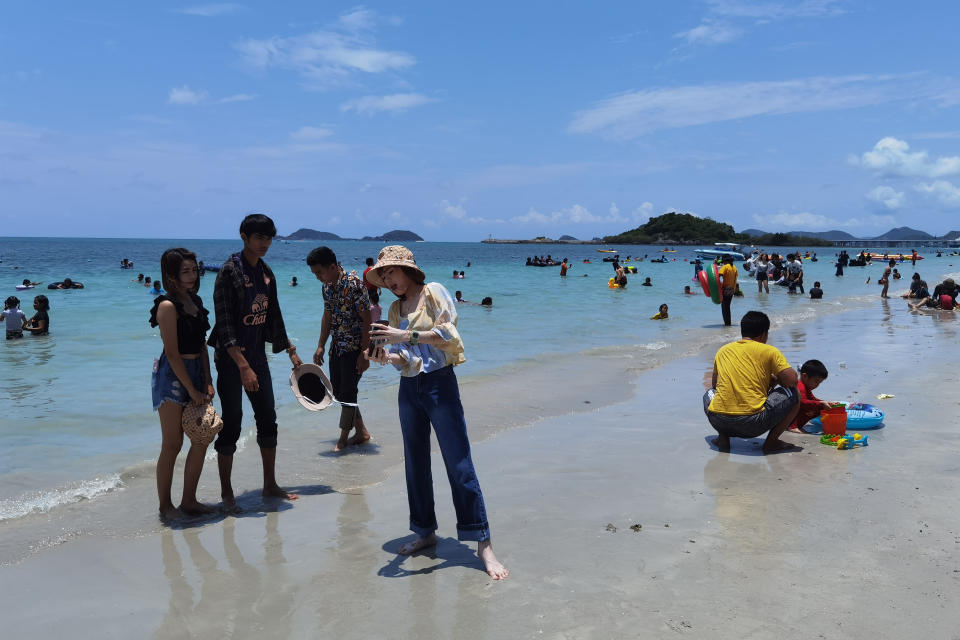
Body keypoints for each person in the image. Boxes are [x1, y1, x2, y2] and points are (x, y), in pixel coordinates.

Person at [364, 245, 508, 580]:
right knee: (415, 463)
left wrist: (405, 335)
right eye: (383, 276)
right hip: (409, 389)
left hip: (440, 385)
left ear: (407, 269)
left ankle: (483, 544)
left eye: (392, 272)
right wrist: (385, 358)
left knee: (459, 464)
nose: (388, 280)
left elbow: (449, 334)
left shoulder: (434, 292)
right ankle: (425, 531)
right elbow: (407, 358)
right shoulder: (395, 308)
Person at [208, 213, 303, 512]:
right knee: (232, 422)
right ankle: (226, 493)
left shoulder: (266, 273)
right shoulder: (229, 272)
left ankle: (270, 484)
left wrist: (289, 350)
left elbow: (273, 314)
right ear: (244, 236)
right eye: (259, 237)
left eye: (269, 237)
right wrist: (242, 366)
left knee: (267, 419)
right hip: (231, 361)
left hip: (257, 358)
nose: (265, 243)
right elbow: (223, 326)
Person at [149, 248, 216, 519]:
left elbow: (201, 345)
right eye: (184, 271)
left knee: (201, 437)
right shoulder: (166, 306)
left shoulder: (195, 301)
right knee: (172, 444)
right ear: (172, 276)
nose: (191, 276)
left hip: (197, 373)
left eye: (193, 270)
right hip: (172, 376)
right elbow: (173, 353)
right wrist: (191, 389)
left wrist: (208, 381)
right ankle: (165, 506)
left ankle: (189, 500)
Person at [702, 310, 800, 454]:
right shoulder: (769, 351)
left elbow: (716, 386)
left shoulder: (723, 350)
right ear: (764, 334)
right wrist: (775, 379)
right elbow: (792, 380)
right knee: (794, 393)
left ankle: (723, 438)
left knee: (709, 393)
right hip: (753, 424)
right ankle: (771, 442)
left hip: (719, 420)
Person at [307, 246, 373, 452]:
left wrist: (365, 354)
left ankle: (344, 436)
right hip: (337, 347)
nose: (318, 277)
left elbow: (366, 320)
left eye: (320, 272)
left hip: (355, 349)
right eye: (315, 274)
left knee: (349, 391)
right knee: (338, 391)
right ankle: (361, 432)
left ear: (333, 266)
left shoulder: (355, 285)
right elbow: (327, 316)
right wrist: (320, 345)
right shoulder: (326, 287)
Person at [788, 359, 835, 433]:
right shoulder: (800, 386)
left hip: (794, 411)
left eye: (819, 383)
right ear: (805, 376)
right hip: (788, 415)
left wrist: (825, 402)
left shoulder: (806, 387)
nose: (817, 385)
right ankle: (793, 426)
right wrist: (821, 403)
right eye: (816, 381)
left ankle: (797, 424)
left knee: (820, 406)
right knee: (816, 406)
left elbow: (812, 399)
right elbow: (802, 402)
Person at [718, 255, 738, 326]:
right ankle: (728, 323)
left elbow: (718, 275)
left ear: (725, 261)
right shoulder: (734, 267)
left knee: (724, 307)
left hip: (726, 288)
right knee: (727, 307)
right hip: (732, 289)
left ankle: (727, 324)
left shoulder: (725, 267)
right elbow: (735, 278)